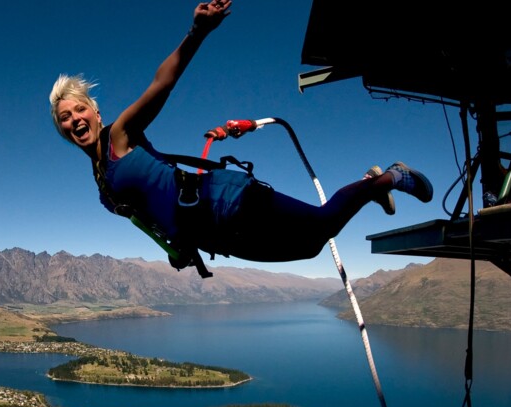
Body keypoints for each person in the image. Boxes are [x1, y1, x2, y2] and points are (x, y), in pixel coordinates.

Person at [49, 0, 431, 276]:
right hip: (216, 234)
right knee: (312, 246)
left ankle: (389, 177)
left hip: (228, 200)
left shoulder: (120, 135)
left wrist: (196, 33)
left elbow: (161, 84)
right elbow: (150, 217)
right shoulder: (102, 185)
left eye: (79, 110)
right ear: (62, 131)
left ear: (95, 112)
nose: (75, 120)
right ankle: (370, 186)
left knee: (319, 226)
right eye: (65, 118)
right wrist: (178, 248)